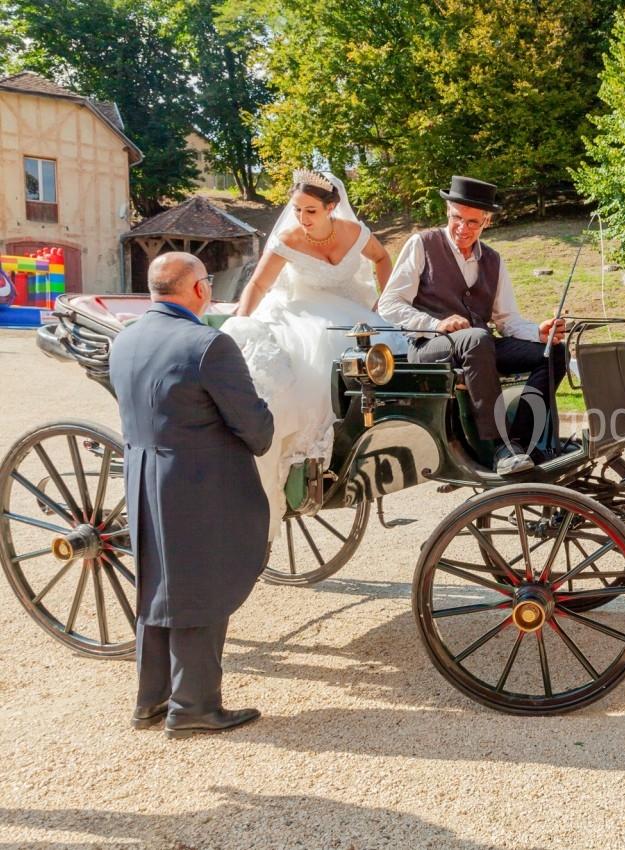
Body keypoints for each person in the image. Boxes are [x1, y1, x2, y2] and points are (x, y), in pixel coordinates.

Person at [109, 251, 274, 739]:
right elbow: (256, 429)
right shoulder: (209, 346)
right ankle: (194, 706)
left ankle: (151, 700)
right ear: (200, 289)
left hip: (143, 475)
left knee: (157, 585)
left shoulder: (125, 339)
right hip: (200, 480)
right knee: (200, 586)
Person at [222, 169, 406, 529]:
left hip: (351, 310)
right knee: (321, 348)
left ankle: (375, 431)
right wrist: (242, 320)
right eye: (297, 210)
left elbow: (383, 260)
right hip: (300, 310)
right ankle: (310, 450)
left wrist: (383, 303)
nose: (302, 219)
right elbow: (259, 284)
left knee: (388, 346)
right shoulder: (289, 237)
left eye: (311, 211)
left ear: (331, 207)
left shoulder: (354, 232)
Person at [378, 175, 566, 475]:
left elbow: (507, 320)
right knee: (477, 338)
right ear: (447, 212)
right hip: (429, 347)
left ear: (486, 222)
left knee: (554, 353)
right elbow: (389, 303)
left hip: (479, 346)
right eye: (457, 218)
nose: (462, 228)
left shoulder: (493, 260)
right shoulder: (422, 244)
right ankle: (498, 447)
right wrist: (434, 323)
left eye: (472, 222)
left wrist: (538, 334)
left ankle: (520, 440)